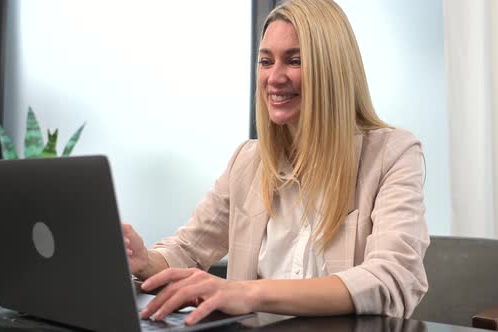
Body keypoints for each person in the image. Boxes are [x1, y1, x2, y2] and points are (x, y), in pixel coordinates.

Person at [122, 0, 429, 326]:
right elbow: (188, 249)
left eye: (294, 61)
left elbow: (393, 277)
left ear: (332, 70)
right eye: (266, 61)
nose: (274, 77)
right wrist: (143, 261)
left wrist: (248, 293)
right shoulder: (248, 161)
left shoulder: (392, 153)